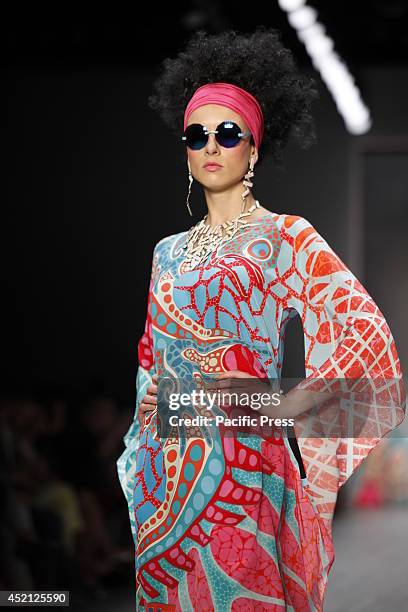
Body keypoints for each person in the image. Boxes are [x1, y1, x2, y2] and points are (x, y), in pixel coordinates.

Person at [117, 27, 406, 611]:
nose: (211, 146)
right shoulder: (166, 251)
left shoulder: (285, 237)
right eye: (196, 135)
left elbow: (364, 330)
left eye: (228, 133)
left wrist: (290, 402)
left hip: (246, 465)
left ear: (254, 146)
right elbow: (151, 355)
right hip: (166, 470)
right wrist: (147, 412)